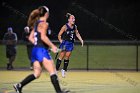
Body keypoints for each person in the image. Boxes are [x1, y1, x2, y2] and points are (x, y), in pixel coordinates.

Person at [13, 6, 69, 93]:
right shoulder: (44, 23)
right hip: (41, 51)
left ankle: (19, 86)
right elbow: (43, 36)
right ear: (46, 14)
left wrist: (40, 45)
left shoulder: (36, 24)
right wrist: (52, 46)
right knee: (53, 71)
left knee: (37, 74)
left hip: (35, 51)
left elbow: (31, 38)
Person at [56, 13, 84, 77]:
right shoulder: (65, 27)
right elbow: (59, 35)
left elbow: (77, 33)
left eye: (74, 18)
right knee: (61, 56)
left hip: (71, 43)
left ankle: (64, 70)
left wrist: (81, 40)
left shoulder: (75, 27)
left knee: (67, 56)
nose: (74, 19)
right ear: (68, 20)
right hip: (65, 43)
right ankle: (56, 70)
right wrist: (61, 41)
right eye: (72, 18)